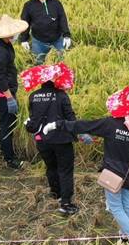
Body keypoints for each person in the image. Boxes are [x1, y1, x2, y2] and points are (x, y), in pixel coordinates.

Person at [43, 86, 129, 245]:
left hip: (113, 173)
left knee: (115, 207)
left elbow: (83, 126)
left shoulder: (110, 124)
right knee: (127, 206)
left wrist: (58, 124)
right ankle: (125, 239)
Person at [22, 62, 84, 216]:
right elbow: (70, 118)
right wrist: (81, 134)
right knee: (65, 170)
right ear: (56, 80)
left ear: (41, 81)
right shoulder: (62, 95)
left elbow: (33, 118)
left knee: (51, 167)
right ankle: (66, 203)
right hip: (62, 139)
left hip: (42, 140)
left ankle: (55, 193)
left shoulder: (33, 96)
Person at [0, 14, 29, 169]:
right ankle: (10, 159)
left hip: (3, 90)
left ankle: (3, 149)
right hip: (3, 94)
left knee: (4, 123)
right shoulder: (0, 51)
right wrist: (9, 98)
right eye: (13, 34)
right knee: (7, 126)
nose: (15, 36)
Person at [19, 0, 71, 65]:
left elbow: (62, 19)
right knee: (38, 63)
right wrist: (24, 39)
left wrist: (66, 35)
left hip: (57, 40)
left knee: (61, 63)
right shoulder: (29, 6)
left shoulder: (56, 3)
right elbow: (25, 23)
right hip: (39, 42)